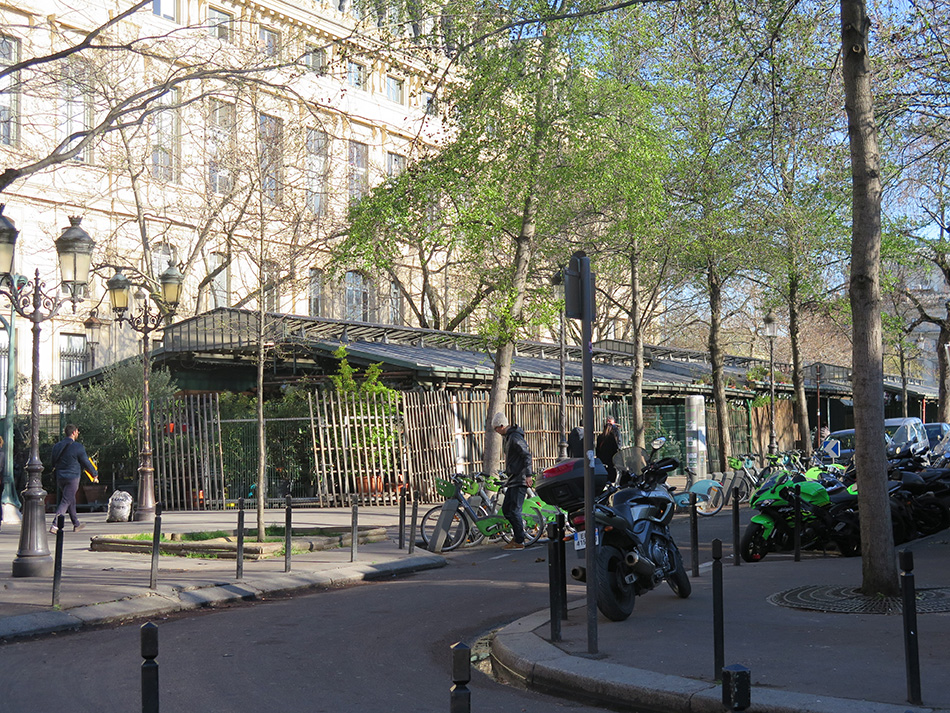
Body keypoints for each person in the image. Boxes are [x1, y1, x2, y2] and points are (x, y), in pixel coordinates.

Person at [492, 411, 532, 550]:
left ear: (501, 425)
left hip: (519, 478)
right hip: (514, 478)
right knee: (507, 510)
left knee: (514, 510)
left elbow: (526, 455)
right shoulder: (510, 437)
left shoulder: (514, 437)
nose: (496, 432)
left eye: (496, 428)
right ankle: (517, 537)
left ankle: (519, 540)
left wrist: (528, 474)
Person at [49, 424, 98, 534]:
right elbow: (85, 462)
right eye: (77, 432)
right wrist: (94, 474)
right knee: (66, 500)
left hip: (60, 477)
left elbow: (52, 461)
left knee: (71, 499)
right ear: (74, 432)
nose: (78, 433)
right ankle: (55, 525)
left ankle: (76, 524)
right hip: (73, 477)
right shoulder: (78, 447)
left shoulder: (57, 446)